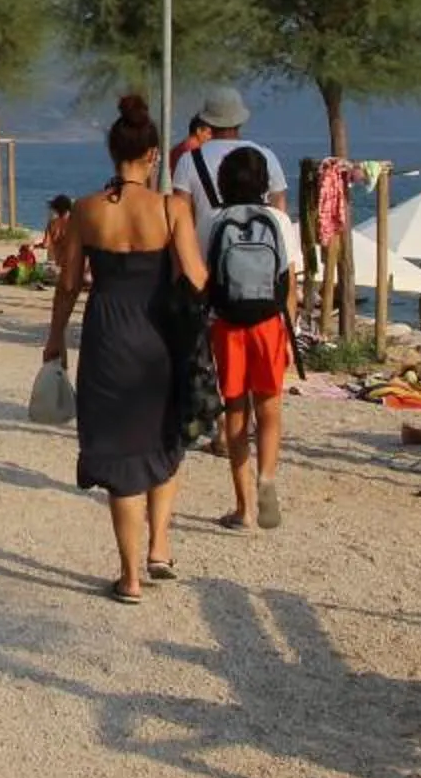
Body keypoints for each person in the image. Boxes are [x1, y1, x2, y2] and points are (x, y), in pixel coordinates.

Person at [42, 95, 210, 603]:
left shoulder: (88, 211)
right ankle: (160, 546)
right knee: (164, 435)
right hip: (160, 338)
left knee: (118, 450)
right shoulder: (171, 207)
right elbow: (197, 278)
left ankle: (131, 575)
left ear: (112, 152)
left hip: (108, 336)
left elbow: (69, 284)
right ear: (154, 155)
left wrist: (54, 341)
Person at [198, 144, 300, 531]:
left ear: (224, 181)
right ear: (262, 182)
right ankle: (267, 478)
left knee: (236, 413)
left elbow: (205, 276)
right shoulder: (277, 219)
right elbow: (289, 284)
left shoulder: (213, 219)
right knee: (270, 408)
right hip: (269, 324)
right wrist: (289, 333)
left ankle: (243, 508)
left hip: (228, 325)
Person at [171, 85, 288, 216]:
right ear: (241, 119)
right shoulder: (266, 156)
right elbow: (279, 210)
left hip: (207, 236)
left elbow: (181, 214)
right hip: (259, 234)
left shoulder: (189, 160)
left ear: (207, 121)